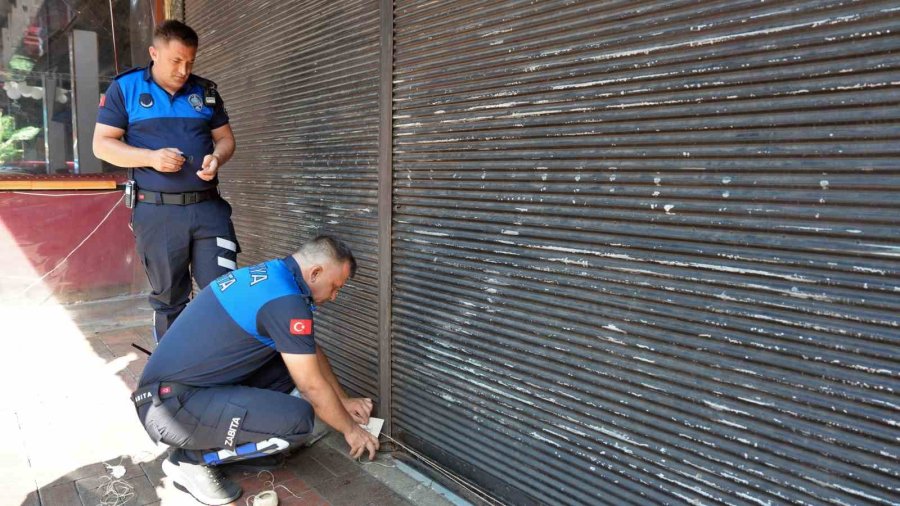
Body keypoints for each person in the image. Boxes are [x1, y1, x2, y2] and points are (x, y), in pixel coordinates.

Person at [131, 235, 379, 504]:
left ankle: (229, 440)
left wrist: (343, 399)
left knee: (290, 361)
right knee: (298, 420)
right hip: (171, 408)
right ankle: (190, 460)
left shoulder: (272, 276)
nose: (334, 296)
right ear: (316, 273)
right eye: (335, 287)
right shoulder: (286, 302)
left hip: (175, 392)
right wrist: (351, 431)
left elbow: (310, 351)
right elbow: (311, 387)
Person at [93, 20, 239, 341]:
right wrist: (151, 158)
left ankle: (223, 372)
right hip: (158, 213)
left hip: (209, 211)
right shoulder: (126, 88)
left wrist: (217, 157)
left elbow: (226, 139)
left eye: (190, 62)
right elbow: (102, 144)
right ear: (154, 53)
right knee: (170, 300)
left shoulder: (206, 91)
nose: (183, 70)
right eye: (176, 61)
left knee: (227, 294)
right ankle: (172, 380)